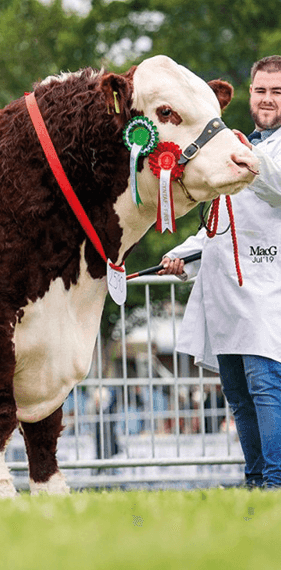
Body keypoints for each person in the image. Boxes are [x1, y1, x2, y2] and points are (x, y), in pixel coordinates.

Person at [159, 55, 281, 489]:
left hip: (268, 292)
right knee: (241, 397)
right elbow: (219, 227)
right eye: (261, 90)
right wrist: (179, 255)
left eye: (277, 91)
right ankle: (255, 482)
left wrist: (238, 151)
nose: (267, 99)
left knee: (267, 389)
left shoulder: (259, 151)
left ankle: (275, 484)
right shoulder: (246, 144)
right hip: (228, 295)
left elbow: (277, 184)